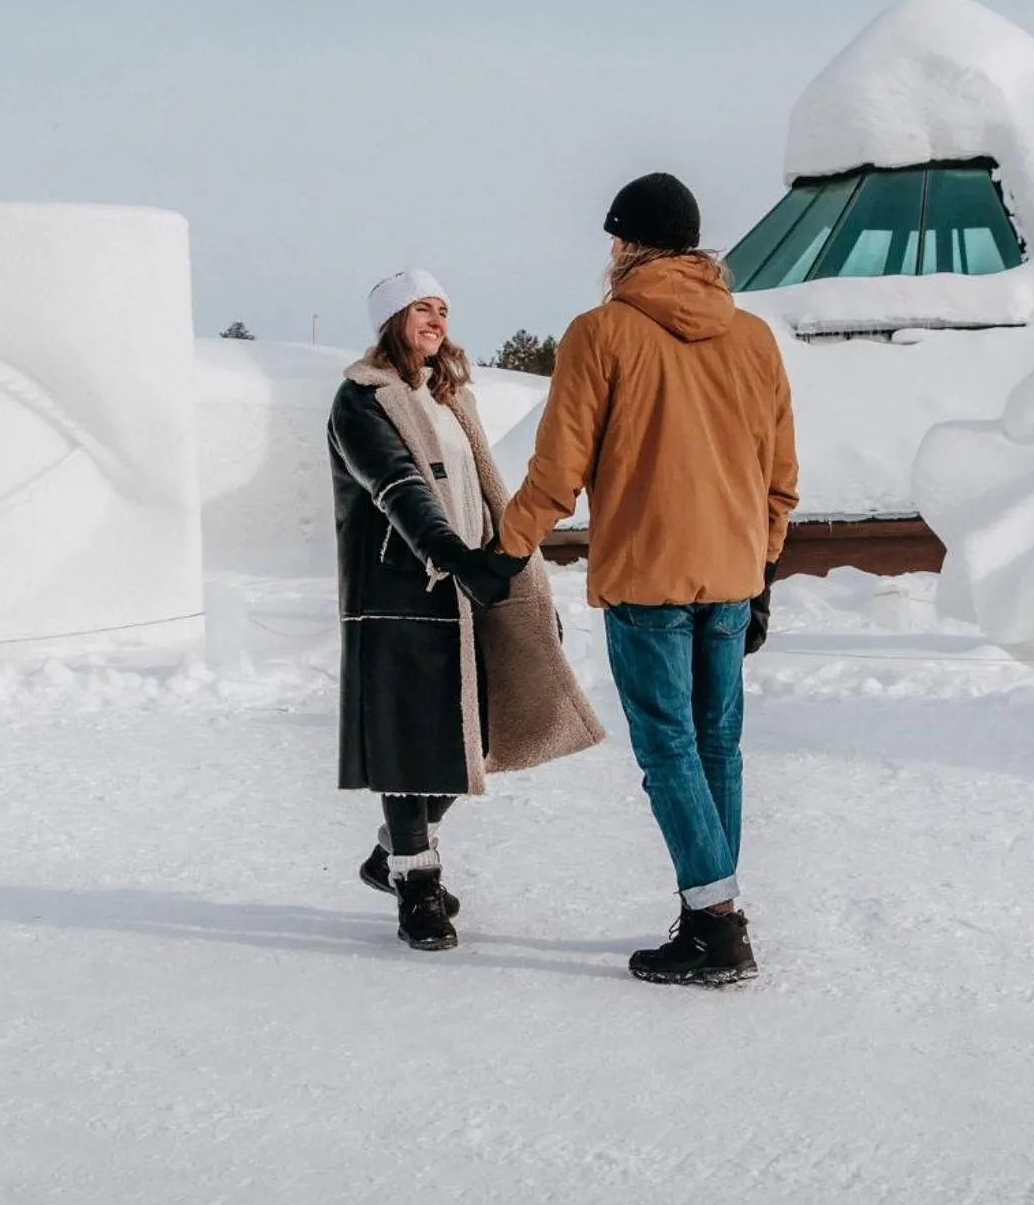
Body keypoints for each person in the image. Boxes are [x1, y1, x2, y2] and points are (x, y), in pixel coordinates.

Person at [487, 174, 799, 985]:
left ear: (627, 245)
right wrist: (761, 567)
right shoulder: (755, 337)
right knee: (716, 746)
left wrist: (503, 550)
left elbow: (558, 471)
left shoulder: (602, 333)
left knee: (669, 748)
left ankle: (717, 923)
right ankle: (714, 908)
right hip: (731, 576)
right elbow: (780, 474)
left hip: (649, 580)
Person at [328, 269, 604, 951]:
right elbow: (397, 487)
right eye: (422, 308)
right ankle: (417, 886)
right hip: (400, 591)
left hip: (470, 581)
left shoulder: (452, 397)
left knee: (471, 737)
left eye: (443, 308)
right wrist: (452, 554)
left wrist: (520, 583)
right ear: (392, 318)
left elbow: (491, 492)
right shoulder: (362, 400)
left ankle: (392, 849)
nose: (437, 319)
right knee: (407, 742)